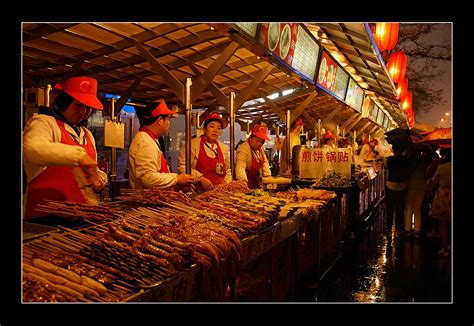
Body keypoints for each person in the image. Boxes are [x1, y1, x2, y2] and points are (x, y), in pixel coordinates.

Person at [23, 76, 108, 220]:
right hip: (45, 215)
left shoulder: (87, 134)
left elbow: (88, 168)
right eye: (79, 105)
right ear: (64, 101)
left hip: (82, 214)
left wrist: (99, 177)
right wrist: (79, 156)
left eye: (88, 107)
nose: (84, 112)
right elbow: (33, 150)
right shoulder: (43, 122)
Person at [128, 99, 194, 191]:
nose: (168, 123)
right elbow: (148, 178)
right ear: (160, 120)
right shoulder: (145, 142)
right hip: (148, 202)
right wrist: (176, 179)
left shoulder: (151, 139)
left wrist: (176, 184)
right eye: (168, 119)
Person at [178, 112, 232, 191]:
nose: (215, 130)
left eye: (219, 128)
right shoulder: (192, 145)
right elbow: (182, 167)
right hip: (197, 192)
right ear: (204, 128)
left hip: (220, 193)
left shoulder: (223, 148)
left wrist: (226, 184)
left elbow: (227, 171)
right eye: (212, 126)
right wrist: (200, 178)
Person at [427, 147, 451, 256]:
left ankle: (445, 248)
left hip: (444, 196)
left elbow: (433, 181)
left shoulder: (442, 167)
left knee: (443, 223)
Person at [384, 142, 412, 236]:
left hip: (390, 184)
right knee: (400, 208)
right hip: (402, 185)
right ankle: (398, 229)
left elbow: (387, 167)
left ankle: (388, 229)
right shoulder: (407, 160)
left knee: (390, 207)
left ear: (394, 150)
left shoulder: (390, 159)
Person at [235, 124, 272, 189]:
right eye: (257, 141)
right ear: (251, 137)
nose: (259, 144)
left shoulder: (261, 148)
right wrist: (243, 182)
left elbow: (265, 162)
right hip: (247, 185)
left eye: (262, 142)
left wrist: (268, 176)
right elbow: (240, 167)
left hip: (258, 185)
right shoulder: (243, 149)